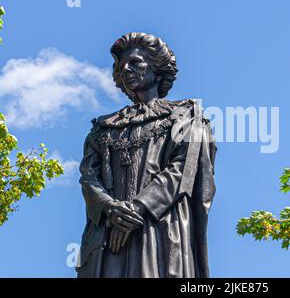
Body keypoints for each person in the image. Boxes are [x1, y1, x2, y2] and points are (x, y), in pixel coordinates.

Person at [76, 32, 217, 278]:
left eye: (135, 62)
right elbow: (88, 178)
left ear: (157, 68)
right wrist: (111, 209)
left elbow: (184, 169)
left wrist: (138, 209)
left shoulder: (185, 115)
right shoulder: (102, 128)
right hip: (110, 232)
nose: (127, 69)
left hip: (159, 226)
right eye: (122, 66)